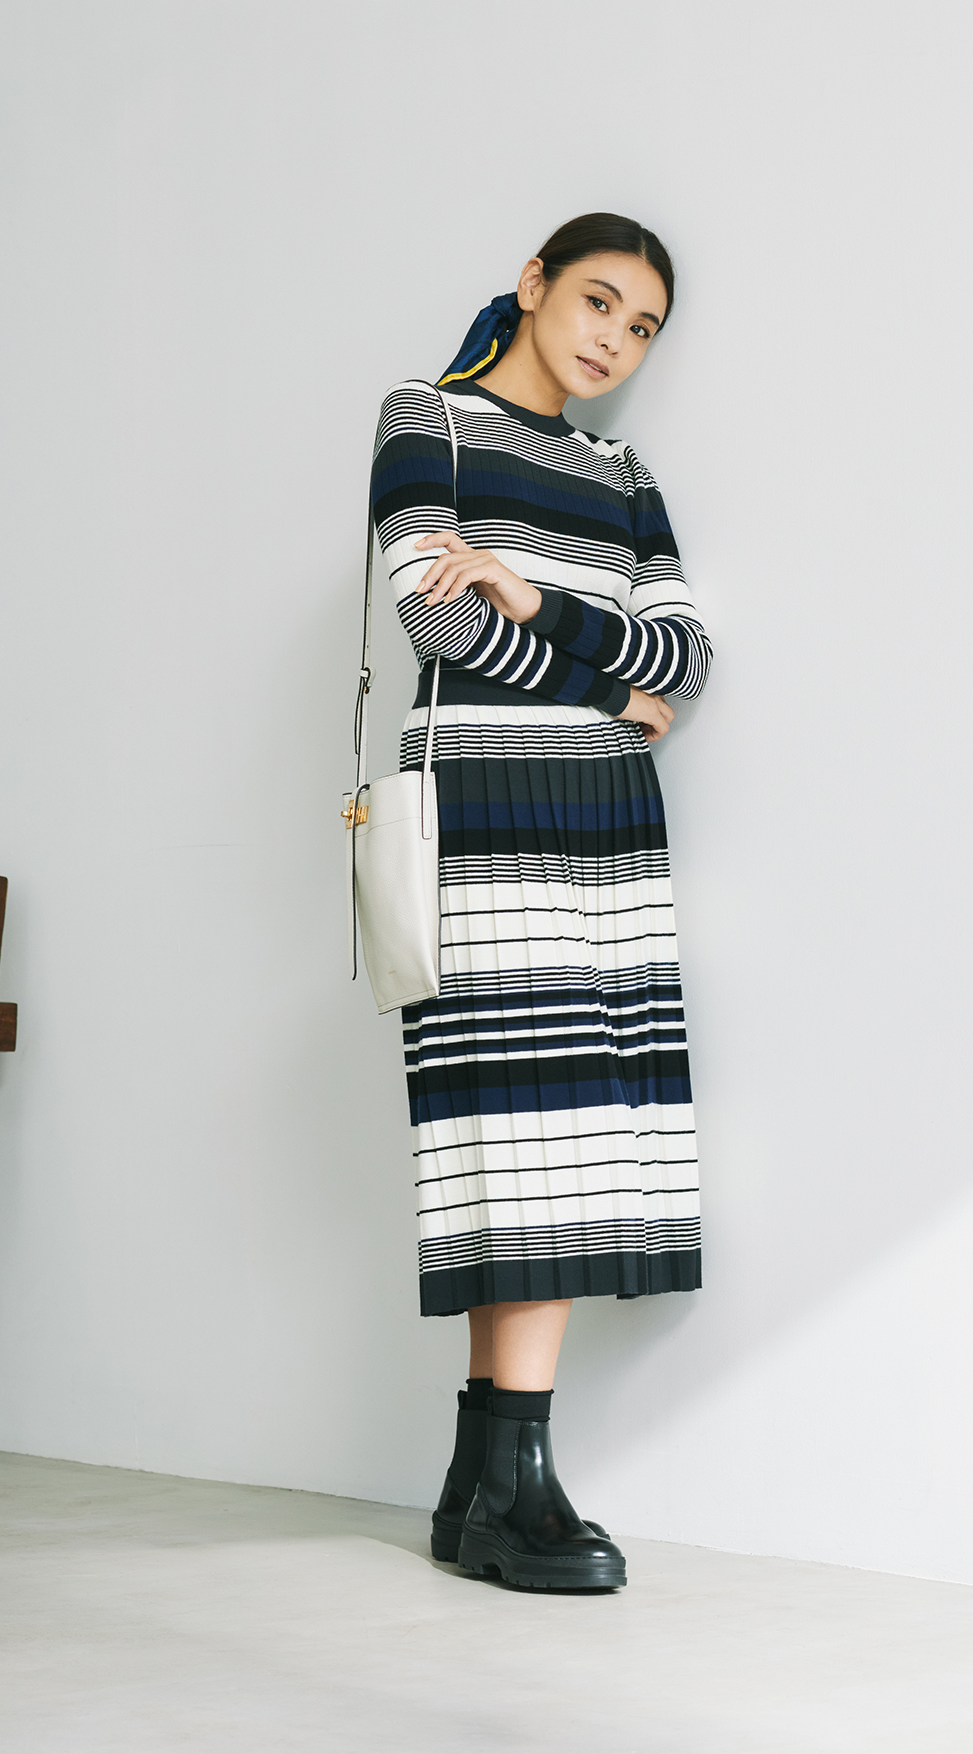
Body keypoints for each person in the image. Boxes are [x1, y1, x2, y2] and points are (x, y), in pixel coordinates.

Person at [369, 213, 711, 1590]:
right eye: (598, 301)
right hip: (487, 813)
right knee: (518, 1136)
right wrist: (604, 688)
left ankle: (484, 1488)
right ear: (533, 285)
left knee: (567, 1134)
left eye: (641, 328)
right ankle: (515, 1486)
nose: (613, 340)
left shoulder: (625, 476)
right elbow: (433, 619)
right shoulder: (429, 423)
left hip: (605, 830)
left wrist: (540, 603)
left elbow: (687, 660)